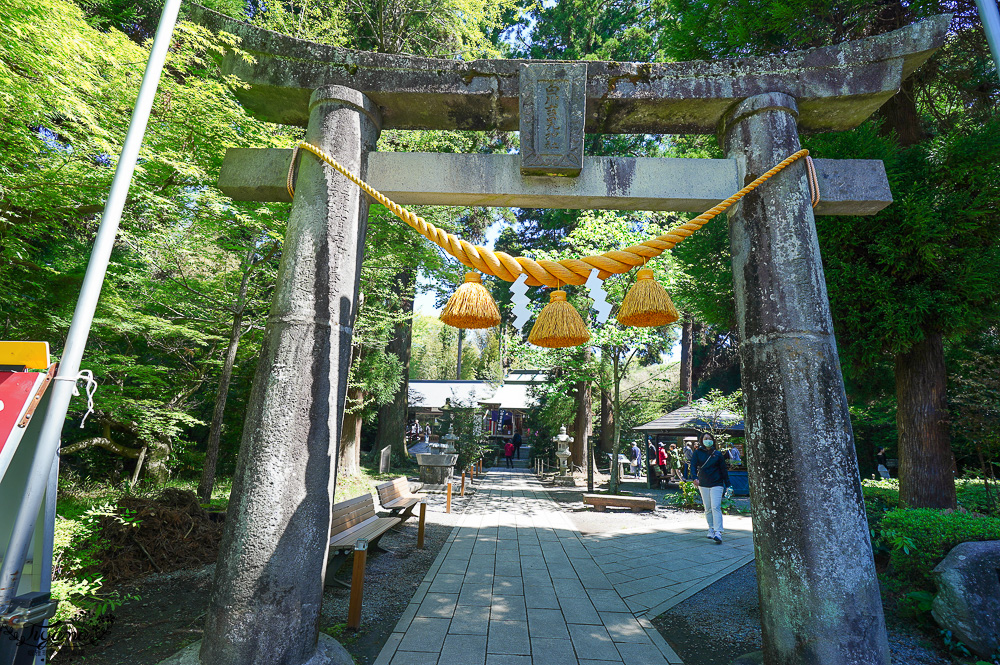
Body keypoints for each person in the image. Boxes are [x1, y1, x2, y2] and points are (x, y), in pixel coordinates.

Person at [692, 432, 731, 544]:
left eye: (709, 438)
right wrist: (694, 477)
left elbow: (724, 470)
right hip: (703, 483)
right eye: (705, 438)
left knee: (715, 506)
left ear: (713, 440)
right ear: (701, 440)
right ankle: (711, 528)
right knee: (708, 507)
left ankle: (718, 531)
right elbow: (693, 466)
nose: (707, 440)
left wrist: (728, 484)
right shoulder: (697, 453)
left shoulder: (718, 454)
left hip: (717, 483)